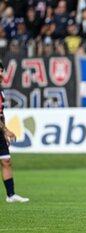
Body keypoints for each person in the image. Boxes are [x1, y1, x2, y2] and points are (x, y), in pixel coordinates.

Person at [0, 62, 29, 203]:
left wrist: (3, 131)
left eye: (1, 70)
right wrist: (6, 130)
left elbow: (1, 114)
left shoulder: (1, 90)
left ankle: (10, 195)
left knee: (6, 161)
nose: (0, 73)